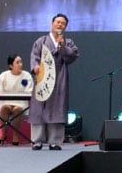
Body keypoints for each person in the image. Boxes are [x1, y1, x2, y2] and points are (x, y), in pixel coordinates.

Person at [29, 13, 79, 151]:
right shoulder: (41, 41)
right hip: (43, 76)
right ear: (52, 24)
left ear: (66, 27)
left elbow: (72, 56)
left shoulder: (68, 42)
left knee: (57, 107)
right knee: (39, 107)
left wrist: (62, 47)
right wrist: (35, 66)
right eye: (58, 22)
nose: (60, 25)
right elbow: (34, 56)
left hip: (59, 77)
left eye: (63, 23)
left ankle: (55, 141)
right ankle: (37, 140)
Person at [0, 54, 33, 146]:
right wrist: (1, 92)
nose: (20, 64)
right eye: (17, 62)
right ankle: (3, 134)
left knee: (17, 109)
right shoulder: (4, 75)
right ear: (11, 66)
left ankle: (16, 135)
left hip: (21, 103)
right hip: (6, 102)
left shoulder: (27, 76)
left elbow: (29, 91)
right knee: (4, 108)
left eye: (21, 62)